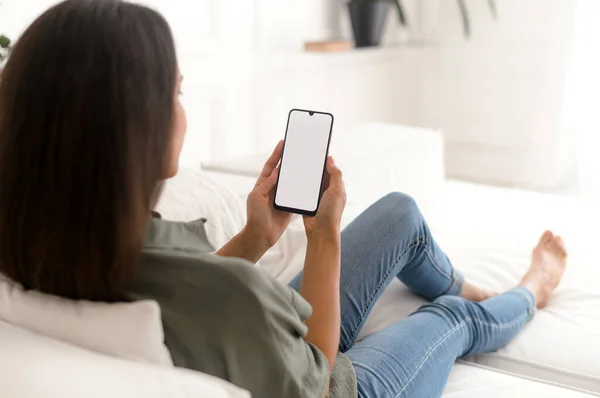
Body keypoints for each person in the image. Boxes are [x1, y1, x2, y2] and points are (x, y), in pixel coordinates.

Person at [0, 1, 567, 397]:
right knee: (451, 318)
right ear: (137, 131)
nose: (181, 108)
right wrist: (322, 239)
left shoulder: (44, 242)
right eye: (175, 91)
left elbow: (165, 299)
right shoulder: (233, 297)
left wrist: (256, 237)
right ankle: (526, 290)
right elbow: (316, 381)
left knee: (401, 213)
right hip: (334, 384)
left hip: (257, 345)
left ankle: (457, 278)